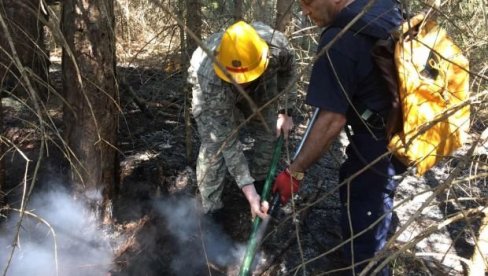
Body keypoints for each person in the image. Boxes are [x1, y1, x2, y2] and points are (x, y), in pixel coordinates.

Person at [272, 0, 404, 275]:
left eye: (308, 2)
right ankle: (354, 253)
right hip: (399, 124)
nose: (305, 11)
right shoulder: (381, 6)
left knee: (368, 220)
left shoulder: (340, 39)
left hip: (380, 139)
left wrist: (294, 172)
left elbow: (332, 119)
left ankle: (367, 265)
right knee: (352, 181)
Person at [188, 21, 296, 220]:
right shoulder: (210, 77)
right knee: (214, 147)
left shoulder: (277, 48)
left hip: (262, 81)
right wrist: (248, 191)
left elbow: (288, 74)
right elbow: (225, 139)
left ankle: (262, 184)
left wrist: (286, 112)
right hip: (217, 86)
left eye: (245, 79)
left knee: (268, 131)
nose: (242, 84)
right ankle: (212, 210)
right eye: (238, 80)